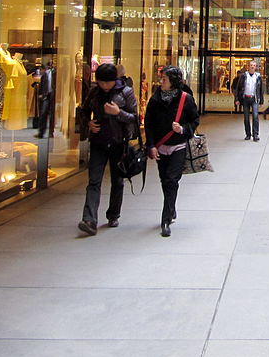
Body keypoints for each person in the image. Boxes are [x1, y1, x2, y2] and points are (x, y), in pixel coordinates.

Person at [76, 62, 138, 235]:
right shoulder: (94, 92)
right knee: (94, 181)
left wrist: (118, 113)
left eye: (107, 82)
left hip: (118, 142)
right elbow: (83, 110)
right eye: (100, 82)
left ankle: (113, 214)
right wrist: (88, 123)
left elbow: (134, 117)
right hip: (98, 142)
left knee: (117, 181)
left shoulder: (126, 92)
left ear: (114, 80)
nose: (104, 85)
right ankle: (89, 219)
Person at [144, 66, 199, 237]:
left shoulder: (185, 99)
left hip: (178, 146)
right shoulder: (155, 99)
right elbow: (148, 123)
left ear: (173, 81)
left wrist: (182, 129)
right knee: (164, 180)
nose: (161, 82)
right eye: (161, 78)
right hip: (161, 147)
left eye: (164, 79)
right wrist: (151, 145)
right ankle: (171, 206)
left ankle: (166, 219)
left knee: (171, 180)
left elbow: (195, 120)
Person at [235, 59, 264, 141]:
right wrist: (237, 99)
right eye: (251, 65)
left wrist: (261, 101)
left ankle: (255, 134)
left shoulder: (258, 77)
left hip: (254, 98)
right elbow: (238, 88)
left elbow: (261, 89)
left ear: (256, 67)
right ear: (248, 66)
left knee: (255, 116)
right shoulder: (244, 76)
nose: (252, 67)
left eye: (254, 65)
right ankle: (248, 134)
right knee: (246, 117)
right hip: (245, 98)